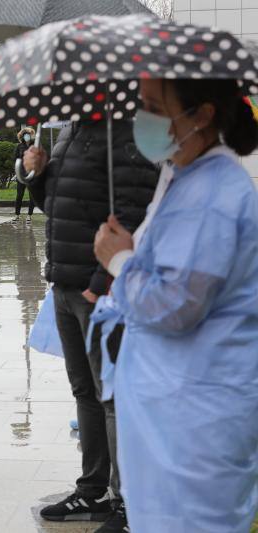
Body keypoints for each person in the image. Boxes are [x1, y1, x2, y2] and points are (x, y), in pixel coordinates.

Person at [92, 79, 258, 533]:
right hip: (169, 406)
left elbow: (177, 305)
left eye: (153, 107)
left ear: (201, 115)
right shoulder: (183, 176)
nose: (142, 118)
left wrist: (120, 260)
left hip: (194, 420)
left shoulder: (214, 195)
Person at [24, 118, 157, 532]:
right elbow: (57, 207)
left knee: (112, 396)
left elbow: (134, 214)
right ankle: (93, 489)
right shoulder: (69, 133)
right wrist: (36, 174)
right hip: (64, 281)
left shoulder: (125, 136)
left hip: (98, 290)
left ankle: (127, 501)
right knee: (84, 390)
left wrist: (102, 283)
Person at [15, 127, 36, 223]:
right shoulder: (19, 147)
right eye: (25, 135)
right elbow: (15, 160)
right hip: (21, 174)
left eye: (28, 135)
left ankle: (29, 215)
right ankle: (17, 215)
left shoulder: (35, 146)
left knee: (32, 195)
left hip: (31, 174)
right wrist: (16, 172)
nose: (27, 136)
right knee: (19, 195)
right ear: (22, 136)